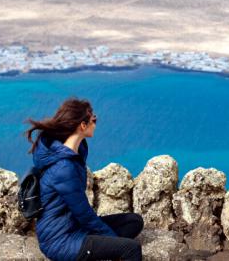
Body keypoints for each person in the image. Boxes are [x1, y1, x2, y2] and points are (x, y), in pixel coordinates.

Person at [25, 97, 144, 261]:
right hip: (62, 240)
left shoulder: (74, 151)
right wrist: (114, 242)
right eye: (93, 119)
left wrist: (109, 242)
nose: (96, 122)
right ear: (83, 125)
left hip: (74, 226)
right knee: (131, 249)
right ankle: (105, 251)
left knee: (133, 221)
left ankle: (103, 252)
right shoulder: (64, 168)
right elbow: (85, 215)